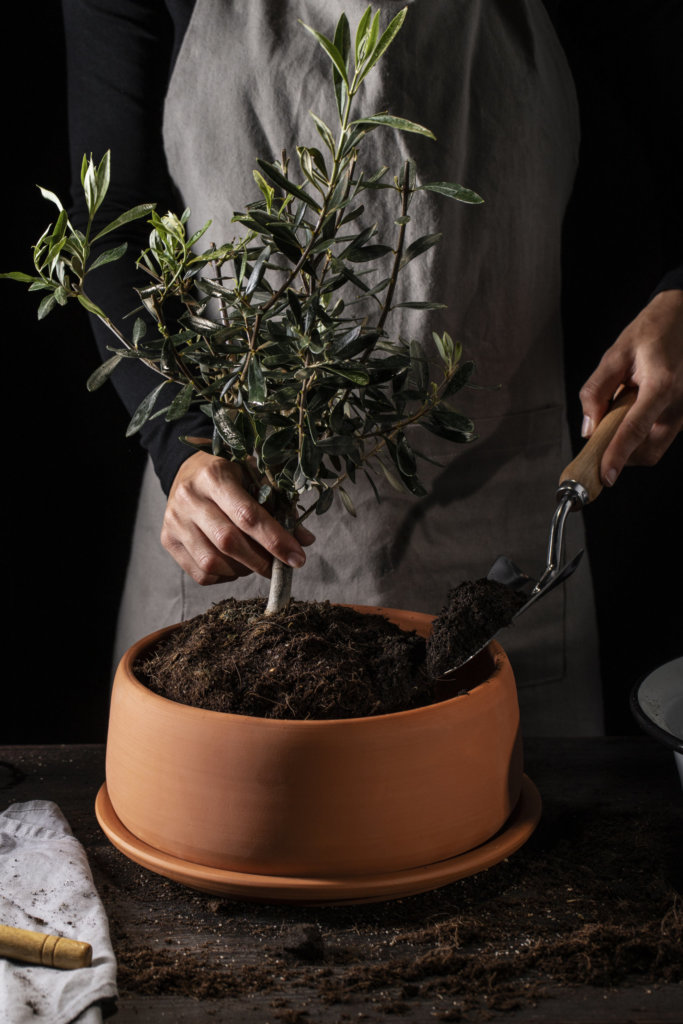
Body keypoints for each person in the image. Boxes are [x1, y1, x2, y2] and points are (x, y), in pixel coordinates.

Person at [62, 0, 682, 736]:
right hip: (234, 513)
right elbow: (108, 219)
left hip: (499, 514)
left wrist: (678, 297)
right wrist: (183, 444)